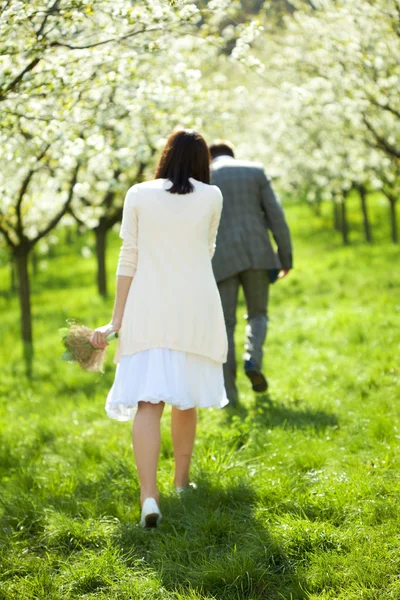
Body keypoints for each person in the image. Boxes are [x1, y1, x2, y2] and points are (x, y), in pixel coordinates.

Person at [90, 130, 228, 528]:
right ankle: (181, 484)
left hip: (148, 305)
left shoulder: (138, 193)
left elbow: (127, 258)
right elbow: (207, 250)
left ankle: (149, 496)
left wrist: (117, 319)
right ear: (203, 162)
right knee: (185, 400)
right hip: (196, 305)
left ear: (165, 157)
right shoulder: (212, 197)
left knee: (149, 403)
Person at [209, 140, 293, 406]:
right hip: (258, 253)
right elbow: (276, 215)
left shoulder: (203, 177)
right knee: (258, 314)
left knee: (225, 324)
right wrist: (285, 256)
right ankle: (253, 359)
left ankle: (229, 394)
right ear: (233, 154)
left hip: (221, 258)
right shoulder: (254, 171)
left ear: (210, 157)